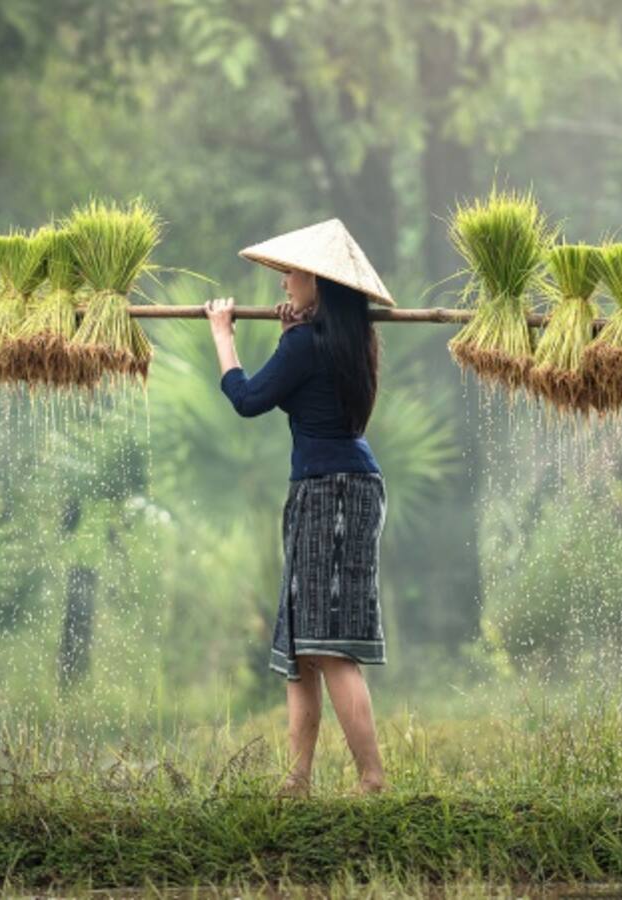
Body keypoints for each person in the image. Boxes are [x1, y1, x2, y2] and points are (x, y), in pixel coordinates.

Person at [202, 218, 398, 798]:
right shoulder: (346, 340)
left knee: (326, 644)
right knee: (302, 644)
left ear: (318, 281)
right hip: (336, 486)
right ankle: (298, 780)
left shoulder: (307, 344)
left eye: (292, 273)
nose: (284, 283)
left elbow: (248, 398)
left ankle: (372, 778)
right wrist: (292, 334)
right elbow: (302, 375)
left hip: (332, 491)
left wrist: (223, 334)